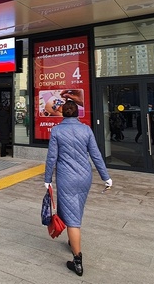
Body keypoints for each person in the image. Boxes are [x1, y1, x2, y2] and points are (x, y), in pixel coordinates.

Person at [44, 99, 112, 277]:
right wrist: (106, 177)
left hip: (66, 177)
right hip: (84, 177)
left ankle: (77, 261)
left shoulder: (57, 130)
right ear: (77, 113)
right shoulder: (86, 129)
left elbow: (52, 157)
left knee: (73, 218)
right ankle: (72, 240)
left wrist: (47, 179)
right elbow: (96, 155)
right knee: (76, 208)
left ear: (63, 113)